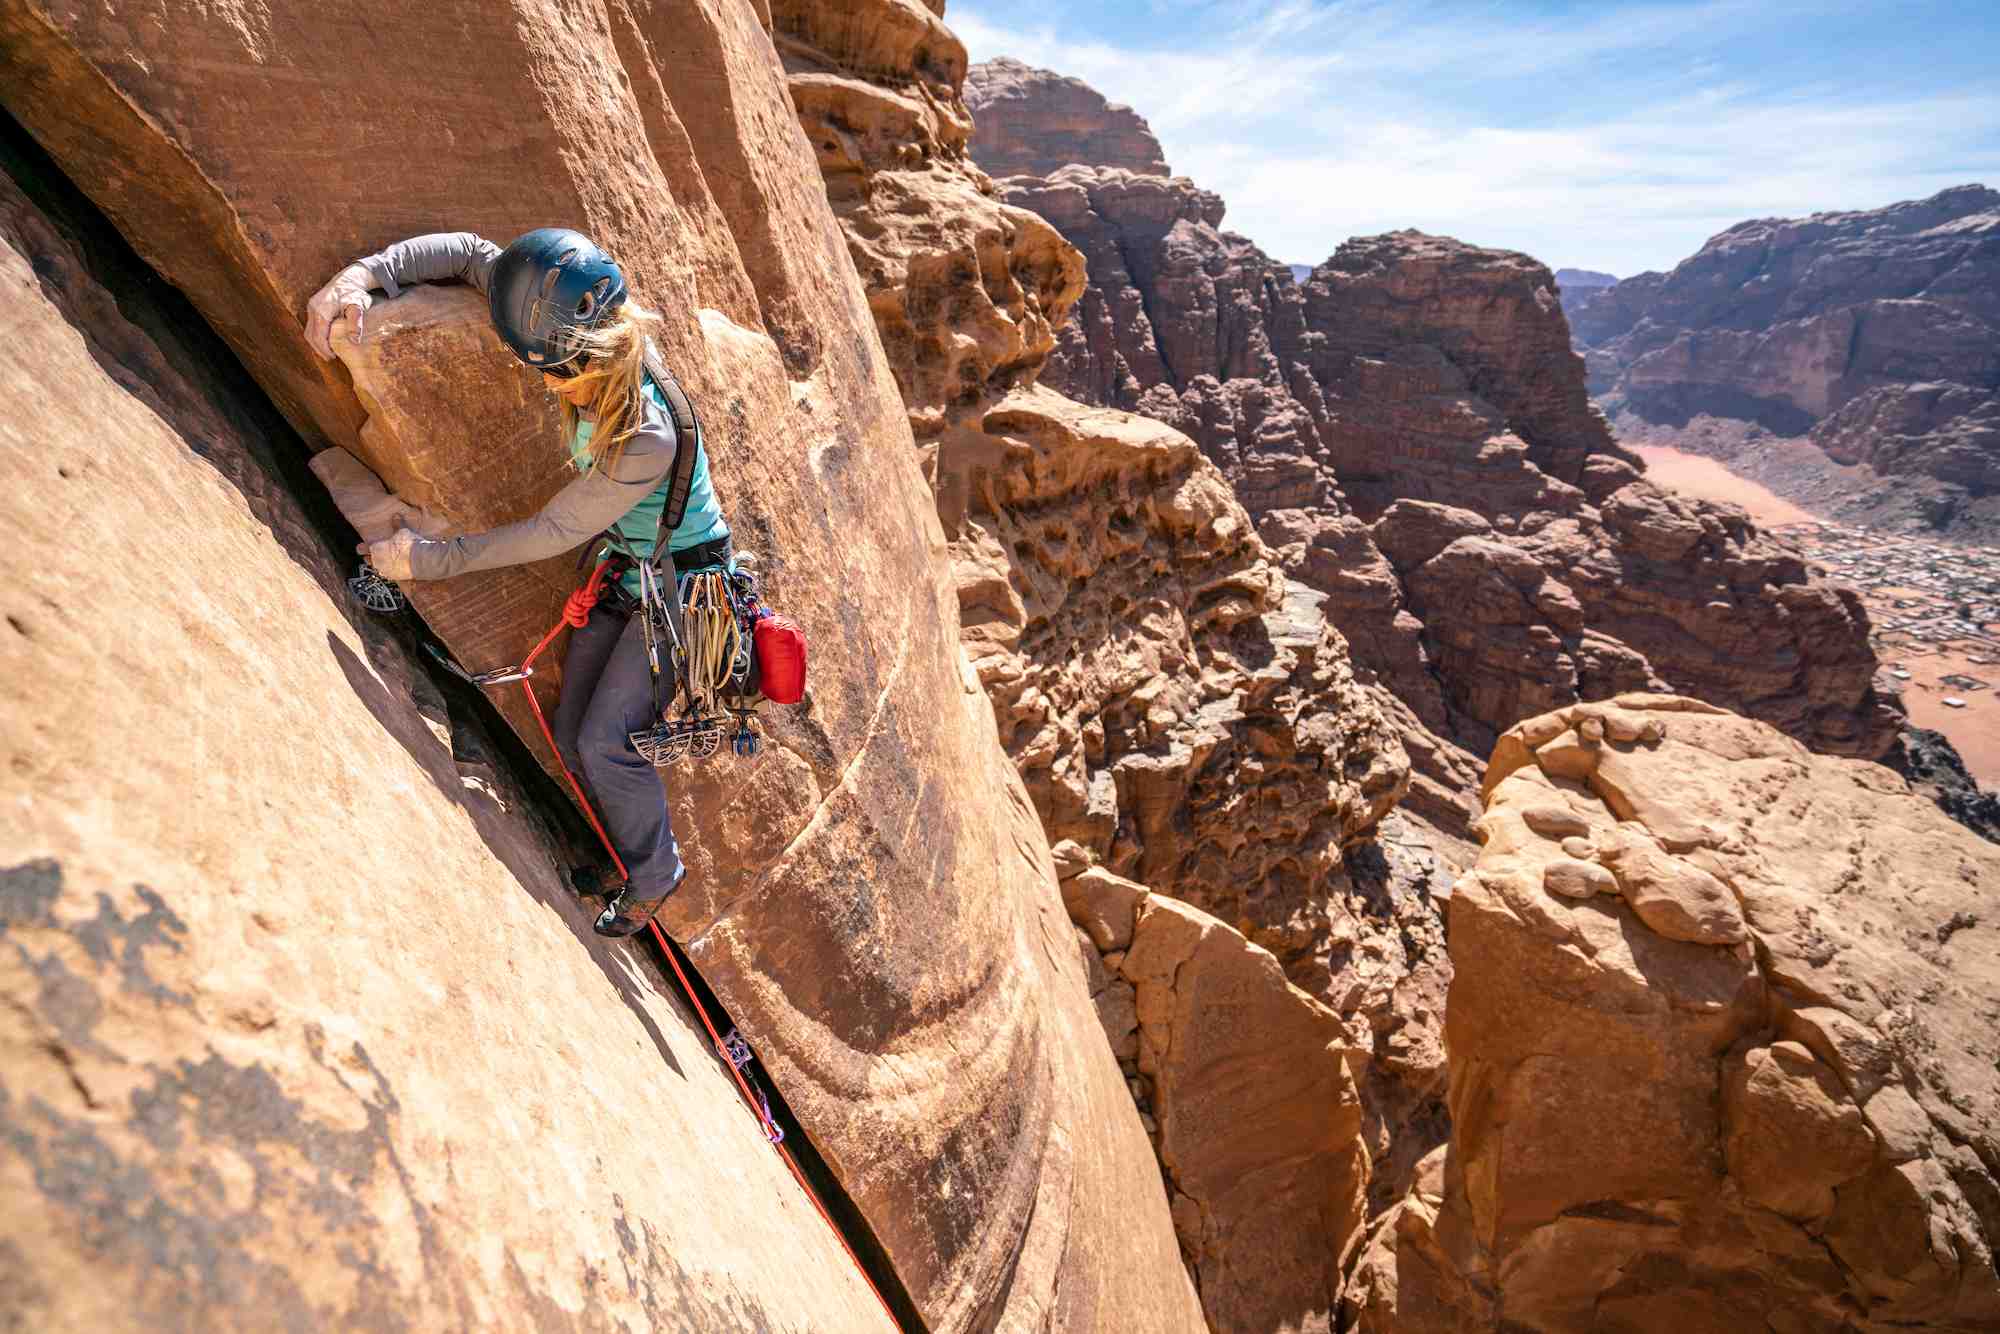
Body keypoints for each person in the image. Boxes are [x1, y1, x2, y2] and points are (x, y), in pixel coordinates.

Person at [305, 229, 730, 938]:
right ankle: (629, 854)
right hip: (629, 568)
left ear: (583, 354)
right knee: (570, 732)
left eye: (553, 371)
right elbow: (474, 254)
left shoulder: (646, 435)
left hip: (686, 594)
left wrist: (423, 561)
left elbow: (550, 533)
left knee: (604, 743)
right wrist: (364, 275)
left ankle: (656, 876)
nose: (543, 382)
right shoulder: (562, 308)